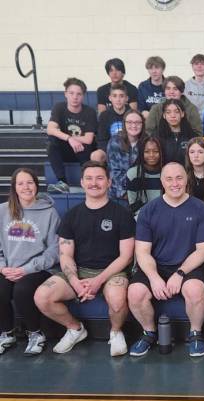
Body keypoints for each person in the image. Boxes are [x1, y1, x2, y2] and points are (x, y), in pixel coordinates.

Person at [34, 161, 136, 356]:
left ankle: (115, 332)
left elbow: (126, 256)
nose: (94, 183)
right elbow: (65, 254)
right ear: (82, 182)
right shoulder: (72, 216)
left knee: (117, 299)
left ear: (109, 182)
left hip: (112, 270)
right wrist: (74, 281)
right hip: (78, 270)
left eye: (99, 178)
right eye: (89, 178)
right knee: (42, 296)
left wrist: (98, 281)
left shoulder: (122, 214)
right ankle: (75, 329)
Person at [128, 162, 204, 357]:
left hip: (188, 264)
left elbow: (203, 251)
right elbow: (142, 252)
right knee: (135, 292)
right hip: (156, 265)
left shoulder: (201, 209)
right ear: (162, 182)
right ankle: (149, 333)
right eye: (169, 179)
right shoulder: (149, 210)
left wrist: (180, 273)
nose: (175, 183)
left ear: (187, 180)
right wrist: (154, 277)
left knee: (195, 290)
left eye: (179, 178)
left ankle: (196, 333)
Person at [0, 169, 60, 356]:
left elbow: (54, 251)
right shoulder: (2, 211)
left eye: (30, 182)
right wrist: (2, 267)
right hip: (8, 268)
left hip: (39, 268)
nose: (26, 187)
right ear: (14, 188)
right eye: (21, 183)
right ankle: (6, 334)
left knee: (22, 290)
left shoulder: (49, 212)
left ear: (36, 185)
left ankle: (36, 334)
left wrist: (25, 269)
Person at [46, 77, 97, 194]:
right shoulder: (59, 108)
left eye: (79, 94)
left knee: (88, 145)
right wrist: (69, 139)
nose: (75, 97)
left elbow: (88, 139)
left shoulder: (89, 111)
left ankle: (87, 181)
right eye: (71, 93)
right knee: (51, 142)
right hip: (65, 150)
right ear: (65, 94)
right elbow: (50, 129)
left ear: (83, 96)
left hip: (82, 150)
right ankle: (62, 182)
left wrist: (73, 140)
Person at [107, 110, 147, 200]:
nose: (133, 126)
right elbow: (115, 173)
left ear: (142, 124)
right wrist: (126, 193)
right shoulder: (115, 142)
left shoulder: (147, 142)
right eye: (129, 122)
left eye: (137, 122)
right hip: (119, 192)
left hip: (141, 191)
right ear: (124, 124)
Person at [126, 137, 163, 218]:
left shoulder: (167, 173)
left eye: (156, 151)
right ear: (141, 153)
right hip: (142, 218)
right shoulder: (133, 174)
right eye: (147, 151)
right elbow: (133, 205)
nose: (151, 155)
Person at [93, 83, 131, 161]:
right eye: (114, 96)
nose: (118, 99)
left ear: (126, 98)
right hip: (109, 149)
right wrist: (111, 150)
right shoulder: (104, 115)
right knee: (96, 155)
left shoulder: (132, 114)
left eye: (121, 96)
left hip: (129, 148)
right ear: (110, 98)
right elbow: (101, 139)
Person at [156, 99, 199, 165]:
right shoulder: (157, 137)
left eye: (176, 112)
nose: (173, 115)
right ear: (164, 115)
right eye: (168, 112)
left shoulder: (192, 137)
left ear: (182, 114)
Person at [184, 54, 204, 119]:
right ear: (192, 67)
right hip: (191, 123)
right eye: (196, 64)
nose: (199, 66)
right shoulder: (185, 85)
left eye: (202, 64)